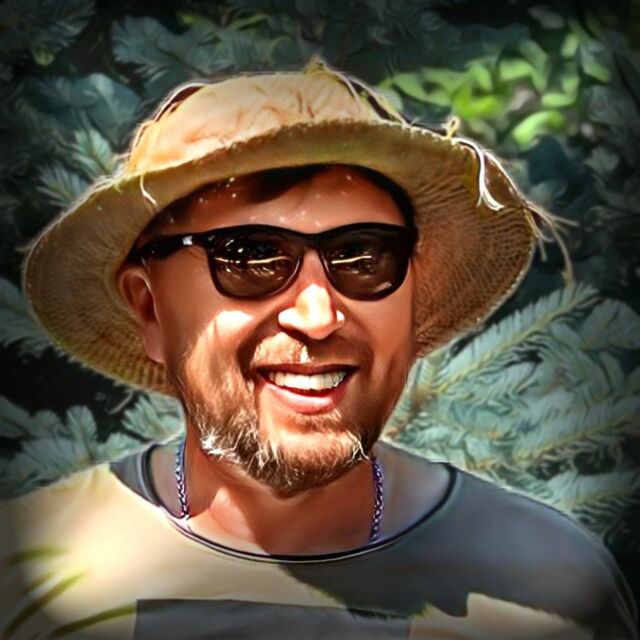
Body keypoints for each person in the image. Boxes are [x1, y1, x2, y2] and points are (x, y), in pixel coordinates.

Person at [1, 62, 637, 639]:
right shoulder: (32, 580)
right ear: (150, 309)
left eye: (363, 256)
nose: (317, 315)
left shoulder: (547, 590)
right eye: (252, 257)